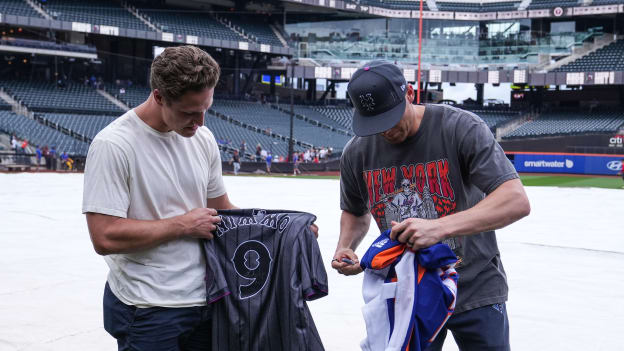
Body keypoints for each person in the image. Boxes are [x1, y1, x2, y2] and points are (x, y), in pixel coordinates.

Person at [331, 60, 530, 351]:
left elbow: (515, 199)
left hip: (474, 286)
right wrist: (345, 246)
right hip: (407, 291)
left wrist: (438, 227)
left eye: (390, 118)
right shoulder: (357, 151)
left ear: (409, 93)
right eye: (375, 124)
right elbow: (355, 210)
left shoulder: (460, 127)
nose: (384, 131)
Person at [82, 45, 237, 351]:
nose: (201, 122)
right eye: (190, 112)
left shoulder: (202, 138)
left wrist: (283, 230)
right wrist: (182, 225)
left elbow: (223, 211)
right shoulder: (114, 145)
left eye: (206, 108)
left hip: (206, 298)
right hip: (147, 309)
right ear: (159, 97)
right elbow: (104, 236)